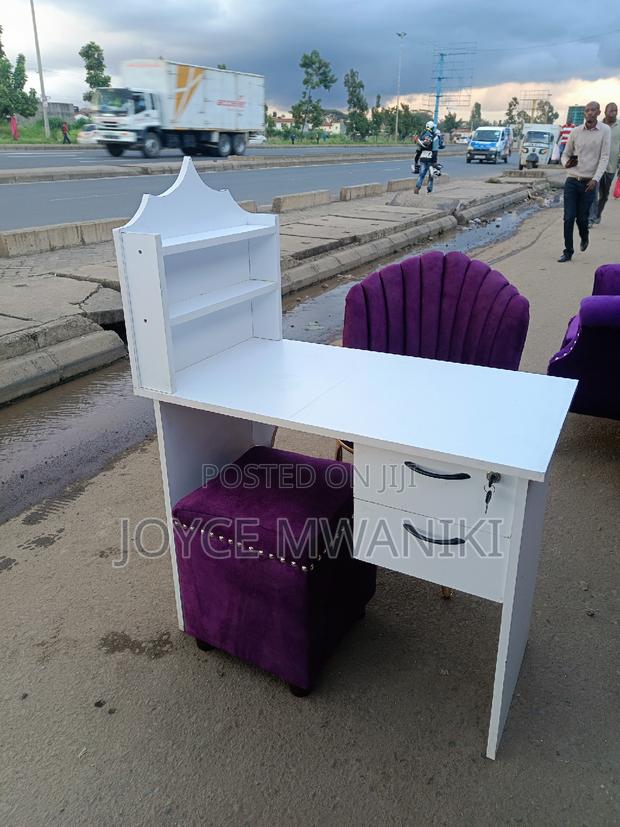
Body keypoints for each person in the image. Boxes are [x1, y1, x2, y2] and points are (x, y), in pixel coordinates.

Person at [557, 101, 610, 263]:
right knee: (568, 217)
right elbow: (565, 154)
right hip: (572, 180)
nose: (590, 113)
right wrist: (565, 163)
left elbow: (604, 157)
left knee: (582, 218)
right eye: (587, 110)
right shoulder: (575, 132)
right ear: (584, 114)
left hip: (589, 182)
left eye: (593, 110)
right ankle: (568, 251)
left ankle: (584, 237)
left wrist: (595, 179)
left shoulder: (604, 131)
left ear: (598, 112)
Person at [589, 102, 619, 225]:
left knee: (604, 195)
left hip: (611, 165)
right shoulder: (598, 126)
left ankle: (597, 214)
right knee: (593, 191)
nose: (614, 112)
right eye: (612, 110)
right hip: (597, 165)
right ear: (605, 111)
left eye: (616, 110)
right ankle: (590, 218)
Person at [414, 121, 440, 194]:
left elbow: (418, 150)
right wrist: (435, 162)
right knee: (431, 176)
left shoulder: (422, 136)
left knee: (421, 174)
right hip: (431, 160)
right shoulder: (435, 137)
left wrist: (416, 161)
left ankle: (417, 187)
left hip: (423, 158)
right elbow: (435, 151)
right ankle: (429, 189)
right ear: (433, 127)